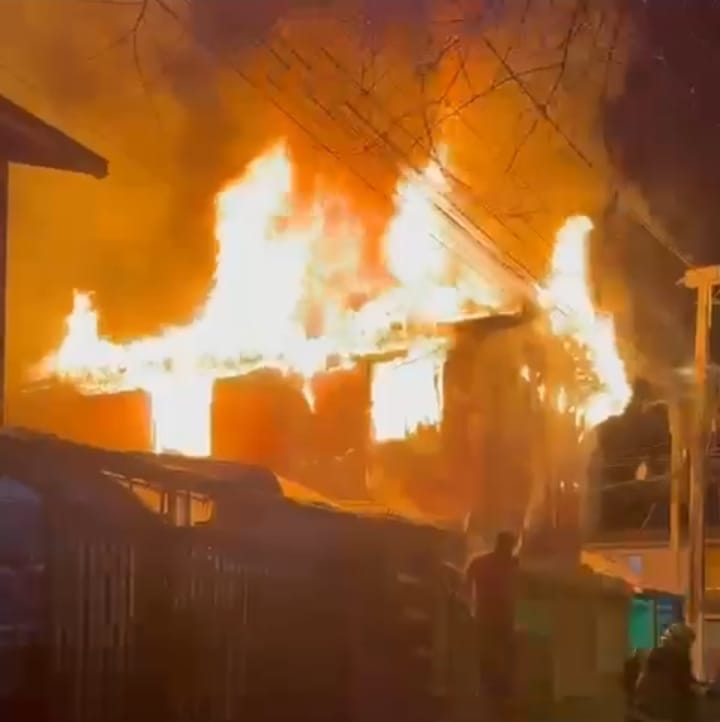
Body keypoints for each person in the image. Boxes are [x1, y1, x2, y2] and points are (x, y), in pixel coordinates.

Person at [465, 531, 518, 722]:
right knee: (497, 652)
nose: (511, 550)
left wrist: (469, 608)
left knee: (495, 652)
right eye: (510, 546)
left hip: (493, 616)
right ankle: (496, 691)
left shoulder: (480, 562)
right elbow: (467, 584)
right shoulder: (511, 564)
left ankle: (494, 689)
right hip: (496, 617)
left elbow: (466, 583)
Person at [631, 622, 699, 722]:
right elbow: (685, 682)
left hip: (645, 711)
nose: (688, 647)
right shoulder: (677, 658)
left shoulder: (654, 656)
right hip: (664, 713)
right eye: (688, 644)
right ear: (678, 641)